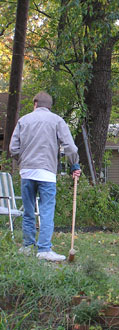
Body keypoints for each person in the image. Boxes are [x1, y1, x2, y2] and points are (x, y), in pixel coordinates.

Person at [10, 91, 81, 262]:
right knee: (46, 211)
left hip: (27, 171)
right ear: (49, 107)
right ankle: (44, 249)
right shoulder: (57, 120)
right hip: (47, 173)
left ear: (35, 104)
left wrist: (24, 160)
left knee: (28, 211)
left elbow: (13, 149)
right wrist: (74, 165)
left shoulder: (23, 120)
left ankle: (27, 247)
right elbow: (70, 147)